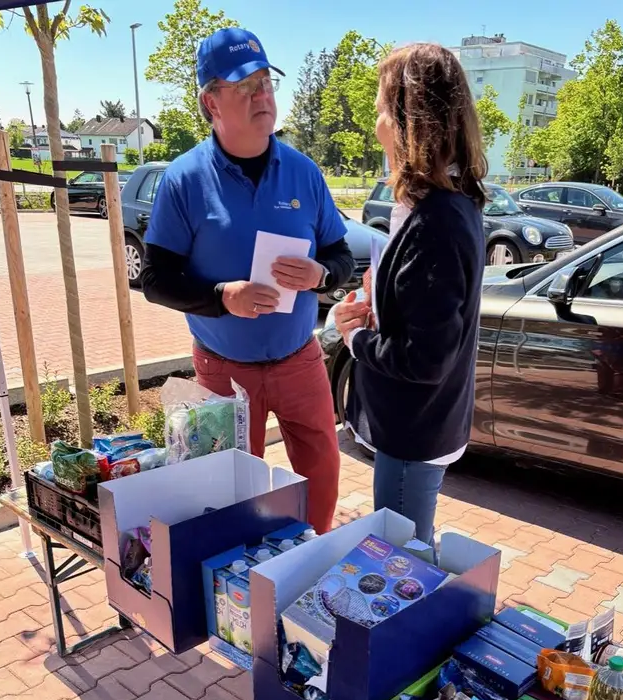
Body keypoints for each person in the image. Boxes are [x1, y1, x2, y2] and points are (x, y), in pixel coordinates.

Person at [140, 27, 354, 534]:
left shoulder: (304, 173)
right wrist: (220, 297)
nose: (263, 97)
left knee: (321, 479)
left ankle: (311, 568)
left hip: (300, 360)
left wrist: (322, 273)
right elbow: (155, 279)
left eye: (266, 83)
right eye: (245, 87)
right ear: (210, 102)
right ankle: (240, 596)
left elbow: (340, 253)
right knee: (229, 498)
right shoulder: (184, 180)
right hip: (222, 370)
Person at [331, 43, 487, 544]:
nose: (375, 123)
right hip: (425, 426)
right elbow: (432, 324)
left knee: (402, 563)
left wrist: (354, 339)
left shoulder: (435, 221)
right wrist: (382, 311)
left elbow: (426, 359)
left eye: (380, 109)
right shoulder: (447, 205)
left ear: (407, 121)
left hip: (414, 431)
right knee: (409, 551)